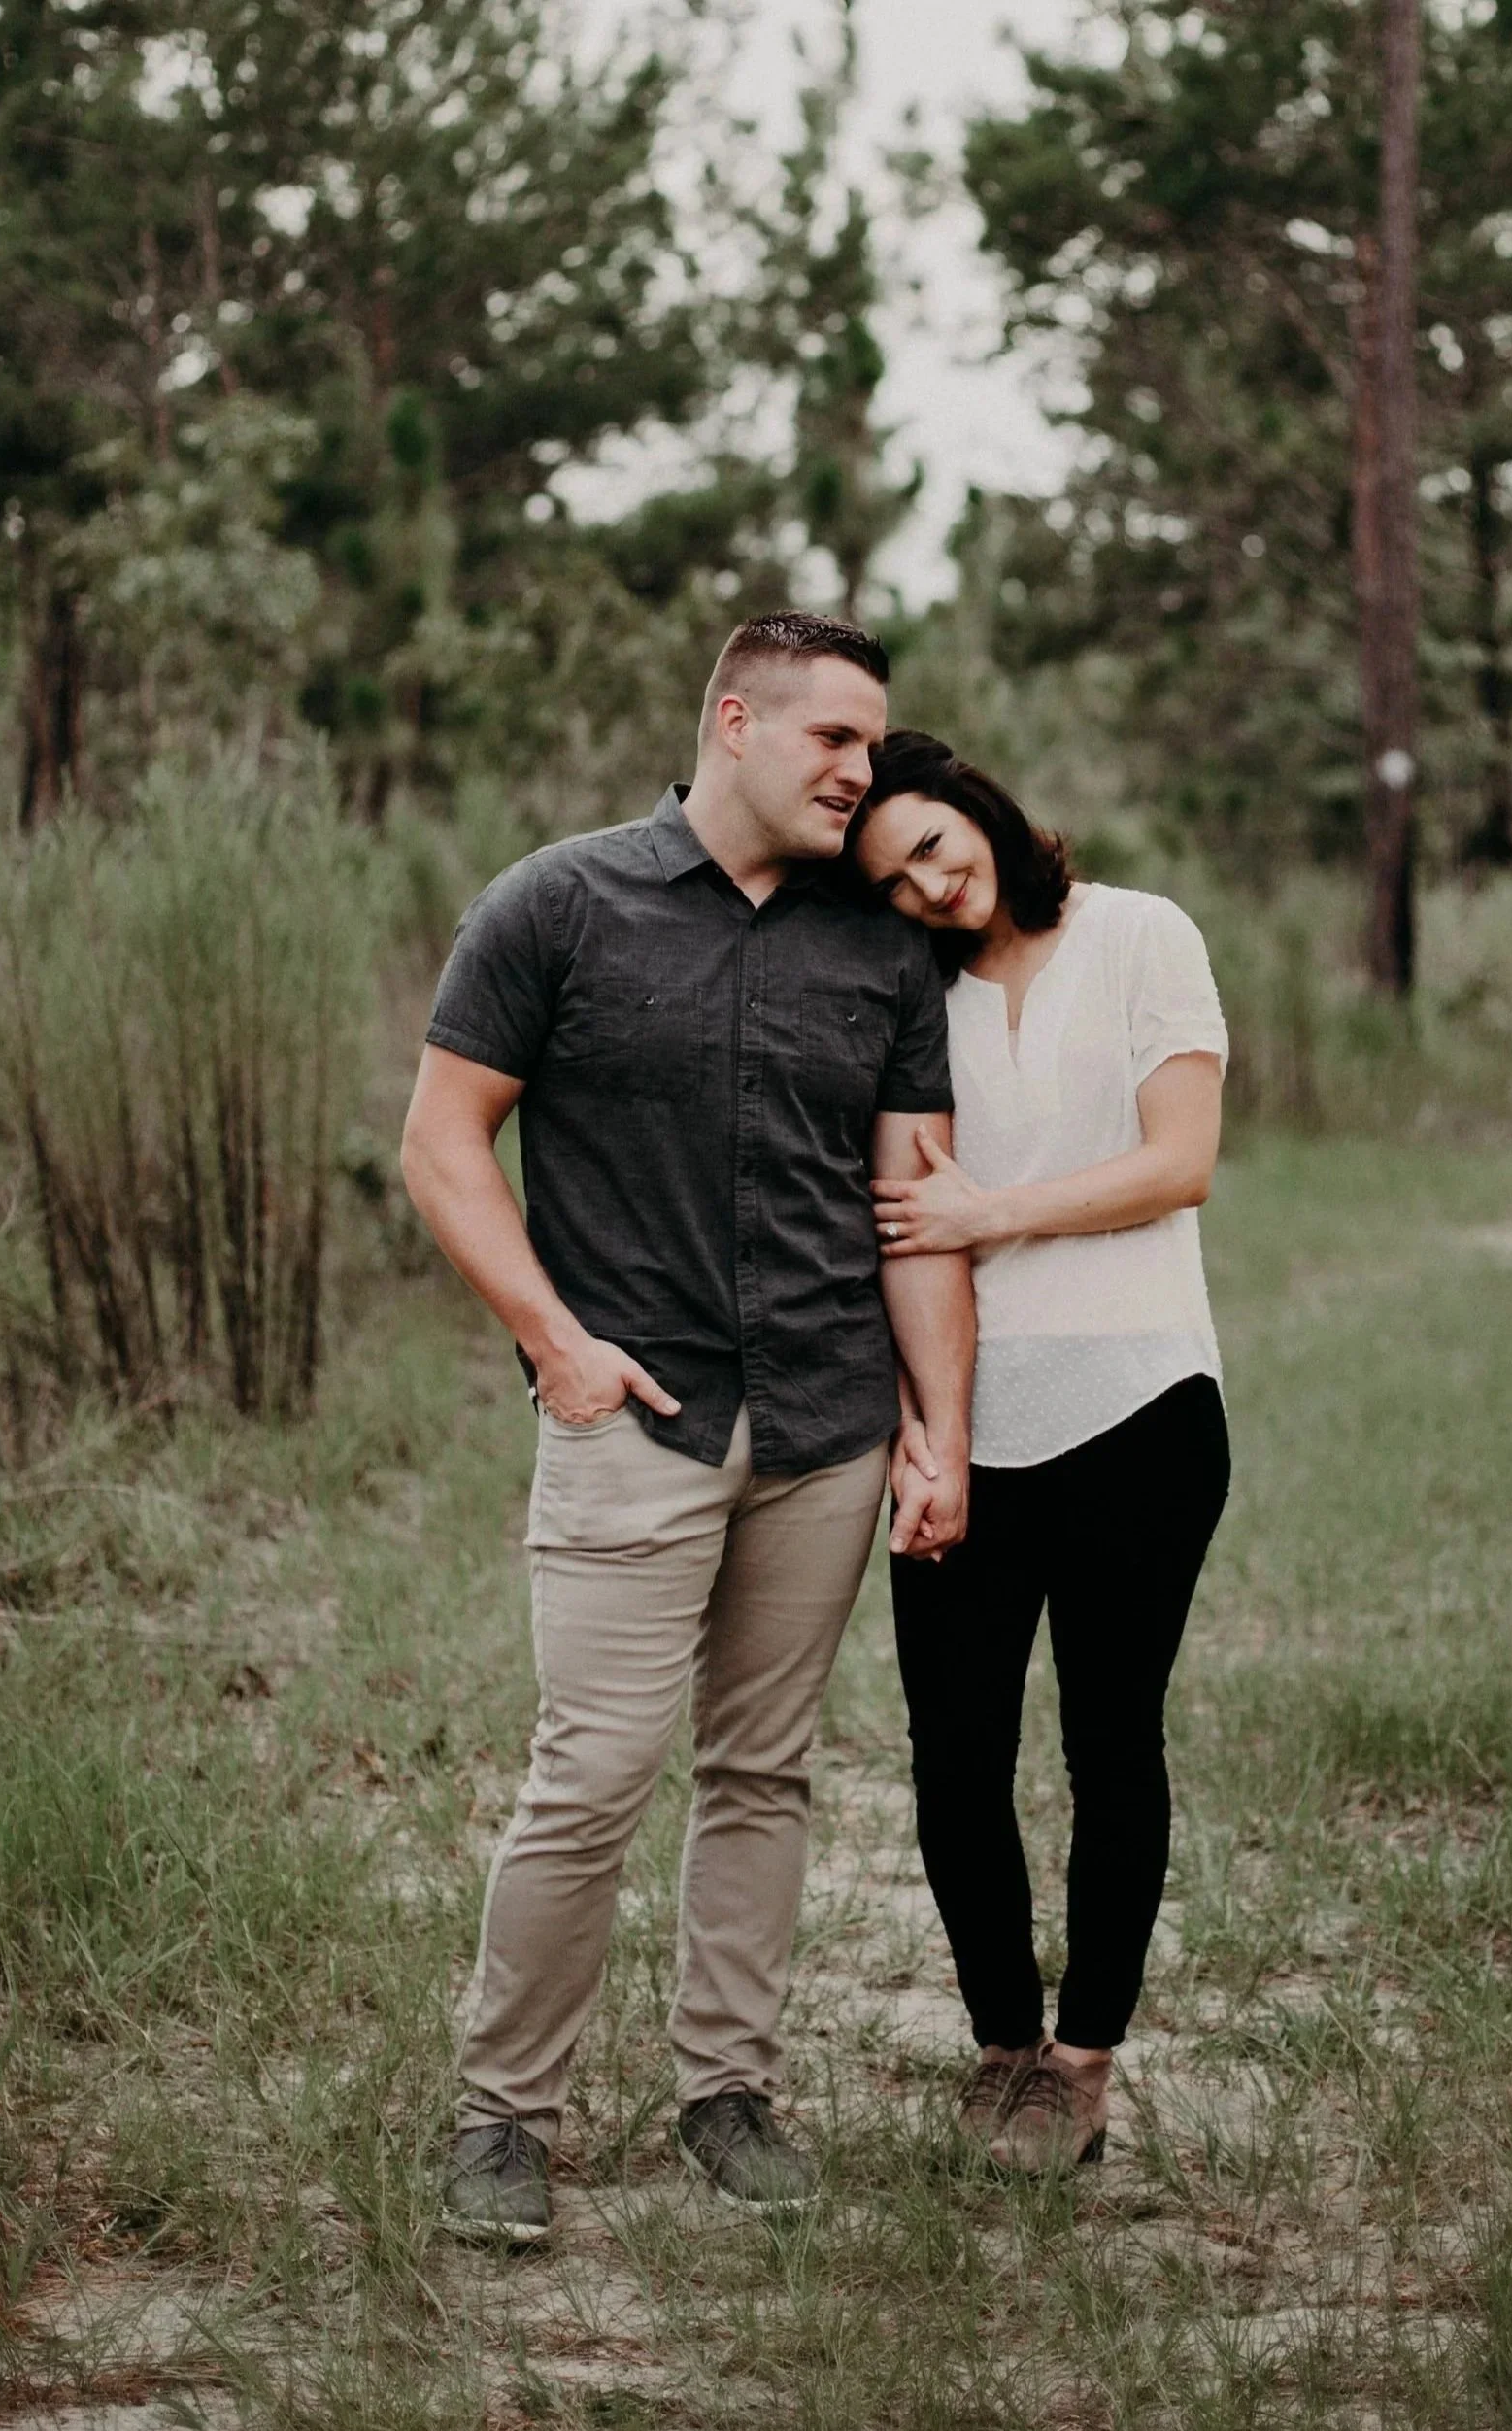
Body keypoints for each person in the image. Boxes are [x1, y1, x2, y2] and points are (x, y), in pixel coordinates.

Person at [401, 618, 975, 2245]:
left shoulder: (882, 950)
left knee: (764, 1772)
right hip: (630, 1418)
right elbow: (445, 1147)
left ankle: (728, 2096)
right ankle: (503, 2121)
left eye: (874, 746)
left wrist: (938, 1427)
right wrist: (557, 1347)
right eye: (836, 742)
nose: (865, 773)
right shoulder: (556, 904)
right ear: (736, 721)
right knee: (588, 1777)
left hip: (826, 1419)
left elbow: (915, 1207)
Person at [847, 731, 1230, 2173]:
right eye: (890, 883)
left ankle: (1084, 2061)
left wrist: (990, 1214)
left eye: (937, 849)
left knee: (1110, 1741)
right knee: (954, 1754)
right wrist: (921, 1429)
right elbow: (899, 1221)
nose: (930, 891)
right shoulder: (906, 999)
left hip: (1143, 1405)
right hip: (969, 1429)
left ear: (984, 812)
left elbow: (1178, 1161)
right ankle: (1003, 2047)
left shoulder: (1141, 934)